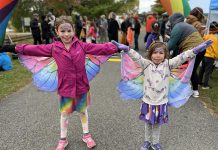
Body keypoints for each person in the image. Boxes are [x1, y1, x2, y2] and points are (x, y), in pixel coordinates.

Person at [0, 16, 119, 150]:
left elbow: (100, 48)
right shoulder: (53, 48)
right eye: (62, 31)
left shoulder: (82, 45)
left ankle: (86, 135)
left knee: (83, 112)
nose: (66, 34)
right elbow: (32, 48)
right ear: (57, 31)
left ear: (74, 31)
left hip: (81, 86)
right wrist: (9, 47)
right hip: (65, 88)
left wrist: (116, 47)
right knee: (64, 114)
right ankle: (63, 139)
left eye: (69, 30)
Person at [112, 40, 212, 150]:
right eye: (155, 52)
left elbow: (181, 58)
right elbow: (136, 57)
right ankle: (147, 142)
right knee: (148, 124)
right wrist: (128, 49)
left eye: (161, 53)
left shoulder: (168, 65)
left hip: (161, 103)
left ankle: (155, 143)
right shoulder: (146, 64)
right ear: (150, 54)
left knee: (157, 125)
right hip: (148, 102)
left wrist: (193, 51)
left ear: (165, 54)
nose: (157, 56)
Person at [167, 13, 204, 98]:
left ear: (173, 20)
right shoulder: (186, 25)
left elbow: (170, 45)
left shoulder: (177, 27)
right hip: (201, 49)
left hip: (192, 50)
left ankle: (179, 90)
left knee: (183, 69)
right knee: (193, 70)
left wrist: (160, 49)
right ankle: (195, 91)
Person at [199, 22, 218, 89]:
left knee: (202, 69)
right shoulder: (215, 39)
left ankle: (199, 82)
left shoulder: (205, 36)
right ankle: (205, 85)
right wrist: (216, 57)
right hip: (210, 58)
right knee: (208, 71)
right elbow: (216, 50)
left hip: (204, 56)